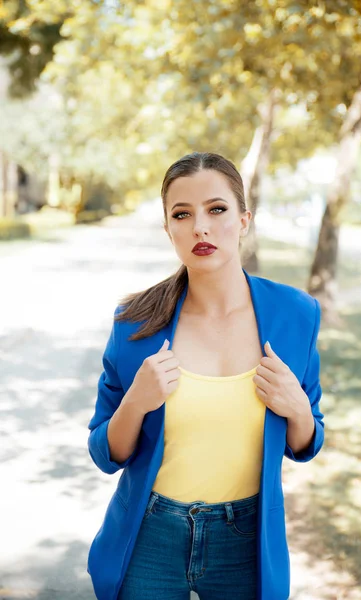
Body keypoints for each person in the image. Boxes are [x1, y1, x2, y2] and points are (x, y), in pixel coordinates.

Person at [86, 152, 325, 600]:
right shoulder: (134, 323)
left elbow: (305, 443)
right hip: (149, 536)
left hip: (246, 542)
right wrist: (136, 402)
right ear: (168, 229)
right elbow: (106, 453)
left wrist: (297, 409)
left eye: (216, 209)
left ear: (244, 219)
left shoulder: (296, 314)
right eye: (182, 214)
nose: (201, 227)